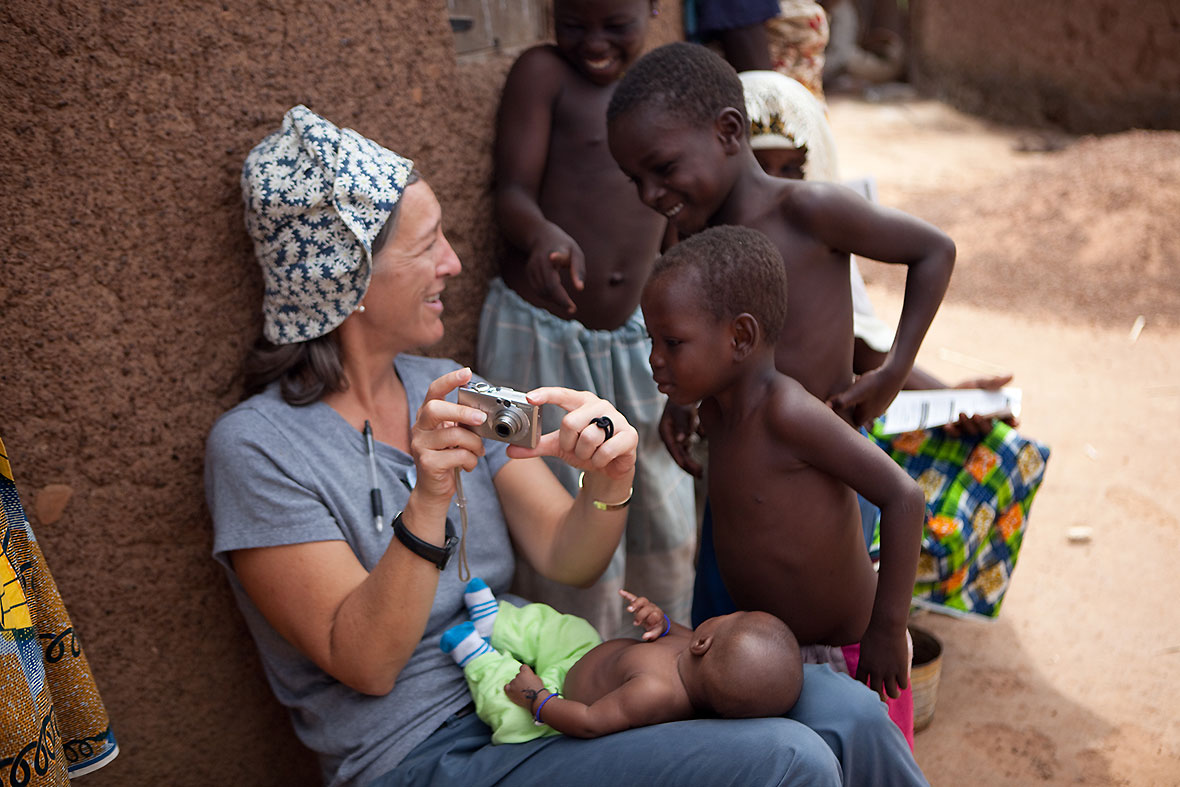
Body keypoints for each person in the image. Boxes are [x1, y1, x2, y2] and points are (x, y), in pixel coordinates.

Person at [205, 105, 924, 787]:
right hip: (434, 749)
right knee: (789, 759)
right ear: (349, 275)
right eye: (428, 246)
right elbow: (366, 662)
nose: (455, 264)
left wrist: (608, 480)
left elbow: (567, 556)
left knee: (849, 714)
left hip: (557, 680)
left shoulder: (446, 388)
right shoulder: (258, 450)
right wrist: (427, 500)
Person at [738, 69, 1052, 619]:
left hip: (824, 466)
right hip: (744, 478)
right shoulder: (713, 255)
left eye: (793, 169)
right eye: (761, 170)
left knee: (828, 605)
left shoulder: (818, 233)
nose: (778, 186)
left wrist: (953, 400)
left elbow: (867, 350)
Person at [641, 225, 925, 745]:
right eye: (651, 340)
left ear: (740, 338)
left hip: (853, 654)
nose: (655, 359)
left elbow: (904, 496)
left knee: (869, 770)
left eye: (673, 342)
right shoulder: (714, 413)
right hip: (771, 661)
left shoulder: (789, 414)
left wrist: (886, 630)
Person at [479, 0, 696, 639]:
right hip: (541, 339)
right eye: (573, 25)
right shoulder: (543, 76)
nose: (593, 43)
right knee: (555, 498)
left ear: (653, 8)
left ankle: (663, 659)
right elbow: (511, 191)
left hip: (635, 343)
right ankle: (578, 671)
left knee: (657, 503)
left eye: (615, 25)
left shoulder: (668, 84)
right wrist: (542, 233)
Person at [607, 41, 955, 438]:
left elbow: (934, 251)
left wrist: (894, 371)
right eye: (636, 180)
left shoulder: (807, 210)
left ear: (728, 131)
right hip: (741, 470)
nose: (649, 195)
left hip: (828, 476)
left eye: (664, 168)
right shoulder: (692, 244)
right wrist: (680, 400)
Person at [440, 579, 802, 742]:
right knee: (568, 628)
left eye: (731, 616)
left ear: (705, 642)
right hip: (580, 655)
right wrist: (659, 623)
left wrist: (538, 699)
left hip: (560, 701)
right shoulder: (699, 655)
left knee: (513, 719)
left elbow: (589, 722)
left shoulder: (655, 692)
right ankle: (499, 623)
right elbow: (672, 636)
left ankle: (480, 660)